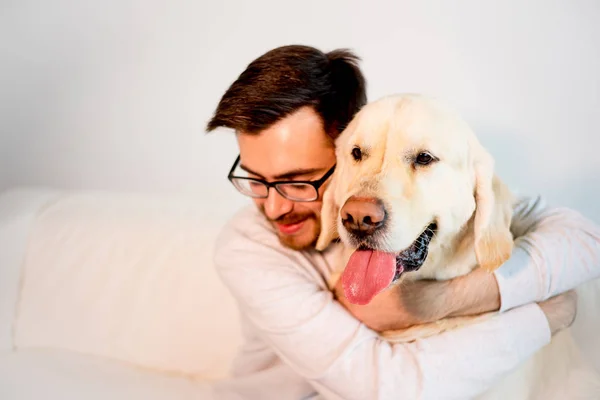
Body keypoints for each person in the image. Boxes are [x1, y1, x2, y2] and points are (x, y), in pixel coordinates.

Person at [205, 45, 600, 399]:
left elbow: (586, 241)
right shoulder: (248, 248)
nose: (274, 209)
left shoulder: (435, 172)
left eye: (298, 179)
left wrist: (428, 303)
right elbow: (389, 387)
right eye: (256, 179)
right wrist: (542, 316)